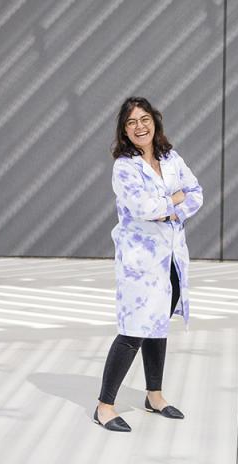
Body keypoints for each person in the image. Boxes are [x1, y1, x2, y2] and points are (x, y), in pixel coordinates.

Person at [93, 96, 203, 432]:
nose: (139, 127)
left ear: (154, 121)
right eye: (131, 122)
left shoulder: (171, 158)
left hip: (171, 258)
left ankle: (154, 396)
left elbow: (196, 192)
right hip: (141, 262)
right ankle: (104, 407)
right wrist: (173, 201)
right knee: (133, 332)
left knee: (158, 325)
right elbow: (143, 208)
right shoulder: (124, 167)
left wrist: (167, 208)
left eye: (144, 119)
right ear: (124, 131)